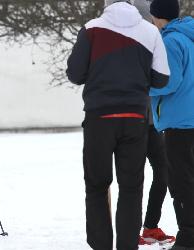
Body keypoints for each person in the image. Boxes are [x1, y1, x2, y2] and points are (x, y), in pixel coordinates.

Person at [66, 0, 170, 249]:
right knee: (131, 188)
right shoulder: (150, 31)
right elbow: (162, 79)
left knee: (97, 185)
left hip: (99, 119)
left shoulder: (91, 28)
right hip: (135, 119)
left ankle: (101, 245)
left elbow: (75, 74)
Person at [149, 0, 194, 249]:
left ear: (157, 16)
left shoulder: (171, 41)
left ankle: (188, 237)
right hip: (191, 117)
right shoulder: (189, 35)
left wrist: (144, 84)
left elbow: (169, 82)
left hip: (179, 122)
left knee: (181, 182)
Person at [131, 0, 176, 246]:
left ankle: (150, 226)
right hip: (132, 120)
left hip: (153, 122)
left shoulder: (158, 41)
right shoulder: (130, 43)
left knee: (164, 172)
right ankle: (129, 230)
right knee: (133, 177)